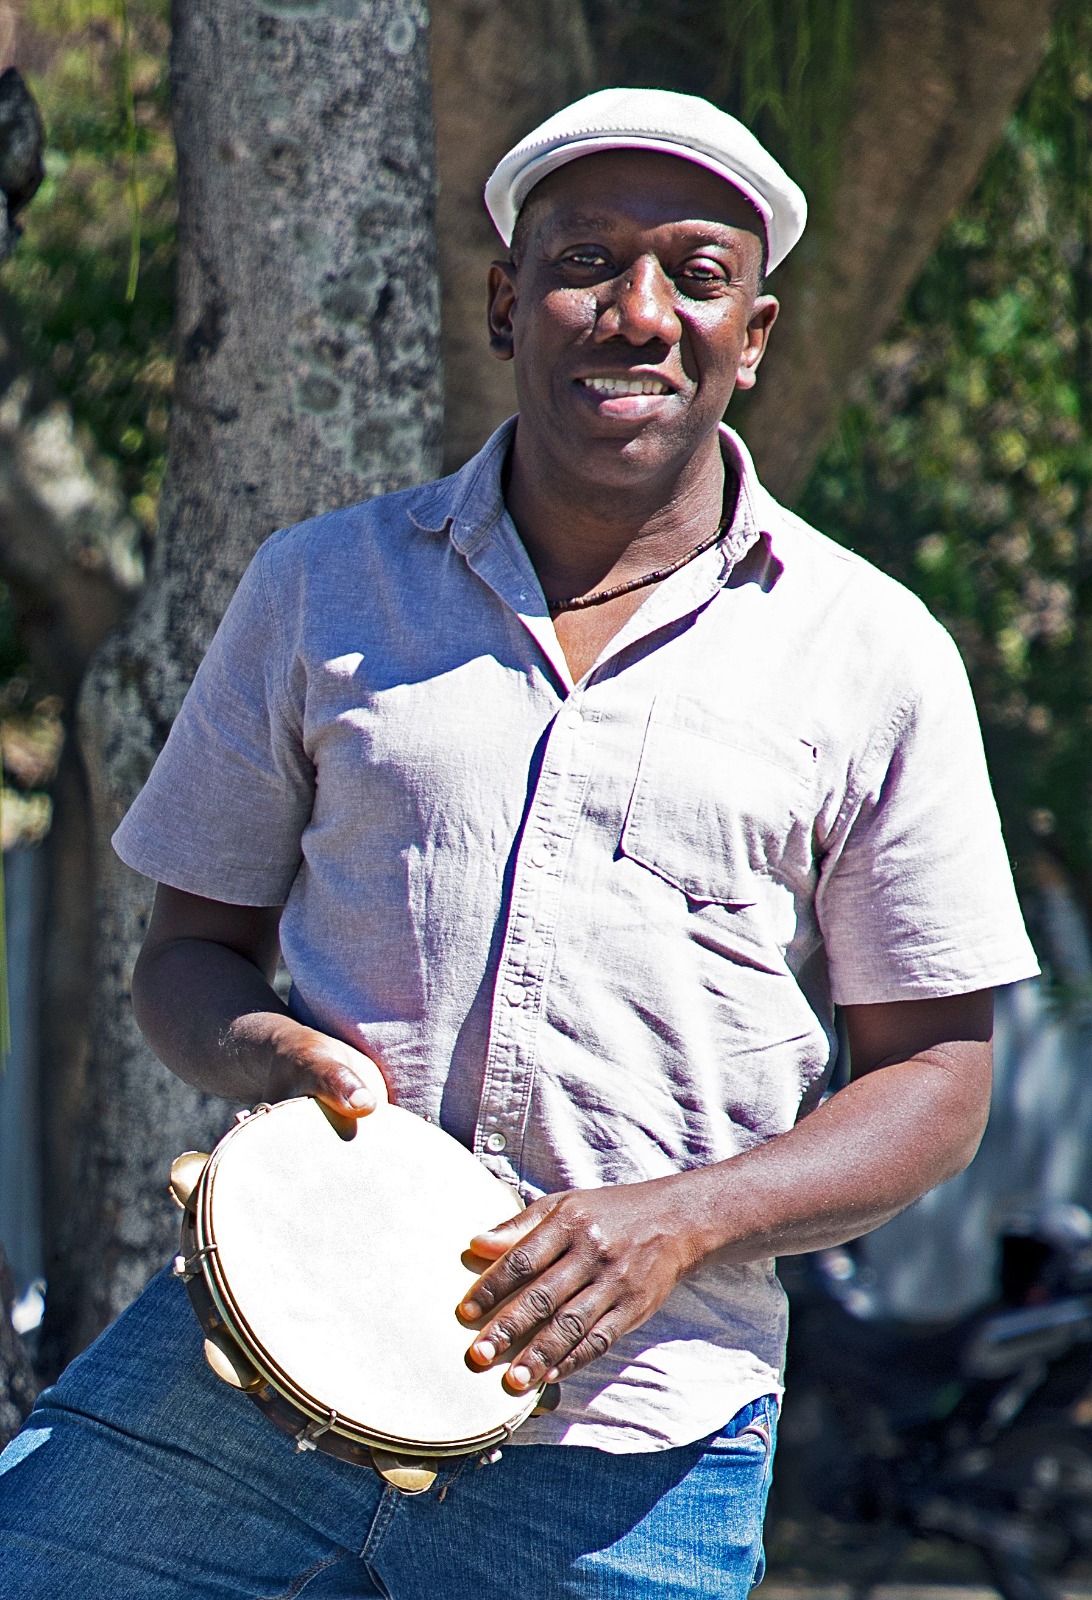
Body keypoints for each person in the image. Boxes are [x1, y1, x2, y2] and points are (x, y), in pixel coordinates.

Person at [0, 87, 1038, 1598]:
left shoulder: (872, 654)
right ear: (505, 298)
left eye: (694, 271)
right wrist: (262, 1056)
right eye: (583, 261)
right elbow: (189, 955)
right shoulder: (322, 591)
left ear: (754, 333)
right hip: (238, 1382)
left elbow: (940, 1078)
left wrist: (678, 1224)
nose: (636, 313)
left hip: (633, 1452)